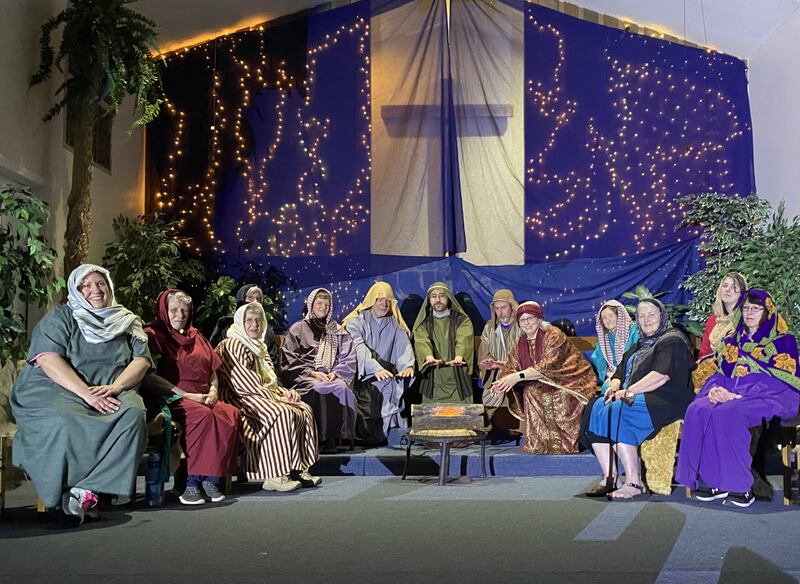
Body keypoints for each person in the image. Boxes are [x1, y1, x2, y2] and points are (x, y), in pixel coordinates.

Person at [10, 264, 150, 522]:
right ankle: (67, 491)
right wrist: (87, 394)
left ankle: (84, 491)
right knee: (63, 419)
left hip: (111, 388)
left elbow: (141, 361)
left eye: (100, 283)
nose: (95, 290)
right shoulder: (61, 317)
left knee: (133, 415)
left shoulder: (128, 321)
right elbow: (47, 358)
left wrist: (117, 387)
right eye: (85, 286)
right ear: (75, 291)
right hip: (59, 386)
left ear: (110, 286)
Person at [676, 289, 800, 508]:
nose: (749, 313)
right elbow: (719, 372)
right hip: (730, 392)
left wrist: (740, 395)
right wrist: (714, 390)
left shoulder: (783, 341)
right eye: (745, 308)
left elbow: (783, 379)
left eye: (755, 308)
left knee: (728, 412)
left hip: (771, 395)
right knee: (698, 409)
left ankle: (741, 487)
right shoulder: (733, 340)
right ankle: (713, 481)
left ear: (767, 311)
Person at [584, 299, 694, 500]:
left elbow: (660, 376)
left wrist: (628, 392)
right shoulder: (640, 344)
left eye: (651, 315)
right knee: (596, 407)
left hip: (666, 399)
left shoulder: (672, 340)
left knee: (617, 409)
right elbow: (620, 371)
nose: (646, 320)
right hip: (640, 396)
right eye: (641, 316)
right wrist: (615, 385)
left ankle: (634, 482)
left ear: (662, 316)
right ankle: (611, 477)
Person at [143, 289, 240, 505]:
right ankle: (190, 482)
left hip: (203, 395)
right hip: (171, 396)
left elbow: (213, 371)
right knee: (203, 416)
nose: (180, 315)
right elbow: (150, 377)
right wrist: (187, 395)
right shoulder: (153, 334)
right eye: (174, 310)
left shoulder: (197, 336)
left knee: (230, 414)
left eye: (184, 310)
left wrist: (213, 392)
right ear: (164, 311)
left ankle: (210, 479)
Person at [217, 302, 320, 492]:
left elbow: (269, 380)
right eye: (249, 321)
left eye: (258, 320)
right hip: (239, 397)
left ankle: (297, 469)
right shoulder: (233, 344)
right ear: (240, 322)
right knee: (279, 413)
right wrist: (277, 399)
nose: (254, 325)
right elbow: (243, 384)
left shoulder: (259, 347)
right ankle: (274, 475)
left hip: (259, 393)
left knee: (303, 409)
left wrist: (284, 392)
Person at [491, 302, 596, 454]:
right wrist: (501, 383)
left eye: (530, 318)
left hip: (570, 381)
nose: (527, 323)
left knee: (560, 397)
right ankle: (540, 444)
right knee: (530, 392)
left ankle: (563, 445)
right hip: (542, 382)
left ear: (539, 318)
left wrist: (517, 376)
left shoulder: (553, 334)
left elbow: (547, 365)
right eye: (522, 320)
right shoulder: (520, 343)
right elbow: (511, 366)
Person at [280, 288, 356, 453]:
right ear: (311, 305)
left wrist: (335, 373)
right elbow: (289, 360)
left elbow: (348, 358)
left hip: (331, 374)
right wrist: (312, 373)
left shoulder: (337, 331)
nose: (323, 308)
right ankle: (322, 438)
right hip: (304, 376)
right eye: (319, 303)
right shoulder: (298, 328)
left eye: (327, 305)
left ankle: (337, 436)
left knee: (341, 387)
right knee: (320, 388)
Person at [342, 282, 415, 446]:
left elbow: (403, 346)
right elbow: (359, 349)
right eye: (380, 300)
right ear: (371, 301)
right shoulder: (356, 322)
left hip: (388, 376)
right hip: (364, 378)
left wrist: (407, 366)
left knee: (393, 387)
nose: (384, 304)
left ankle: (393, 435)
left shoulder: (394, 323)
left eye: (388, 300)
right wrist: (375, 369)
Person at [411, 282, 474, 404]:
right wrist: (429, 357)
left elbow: (463, 340)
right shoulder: (423, 323)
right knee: (432, 414)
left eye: (442, 295)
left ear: (448, 298)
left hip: (457, 380)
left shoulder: (461, 320)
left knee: (461, 414)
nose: (438, 300)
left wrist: (459, 357)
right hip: (433, 380)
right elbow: (422, 342)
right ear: (429, 300)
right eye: (434, 296)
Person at [694, 272, 747, 388]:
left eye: (734, 287)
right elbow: (704, 354)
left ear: (742, 294)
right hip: (712, 377)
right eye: (725, 285)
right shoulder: (712, 321)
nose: (728, 289)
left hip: (740, 378)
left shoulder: (747, 320)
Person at [478, 289, 521, 433]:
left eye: (503, 308)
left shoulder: (521, 327)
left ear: (512, 307)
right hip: (495, 374)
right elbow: (484, 352)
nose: (500, 312)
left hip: (517, 375)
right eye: (497, 309)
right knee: (490, 396)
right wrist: (488, 362)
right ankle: (488, 429)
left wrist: (509, 368)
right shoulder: (489, 328)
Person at [209, 283, 278, 364]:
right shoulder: (227, 324)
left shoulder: (266, 330)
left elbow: (272, 358)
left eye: (258, 299)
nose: (255, 302)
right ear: (241, 301)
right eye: (250, 298)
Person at [589, 300, 639, 394]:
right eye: (604, 318)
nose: (608, 320)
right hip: (614, 375)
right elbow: (598, 358)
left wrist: (620, 375)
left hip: (633, 374)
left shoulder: (634, 331)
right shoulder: (605, 338)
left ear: (619, 316)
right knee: (607, 387)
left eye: (611, 315)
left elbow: (639, 355)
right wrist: (609, 374)